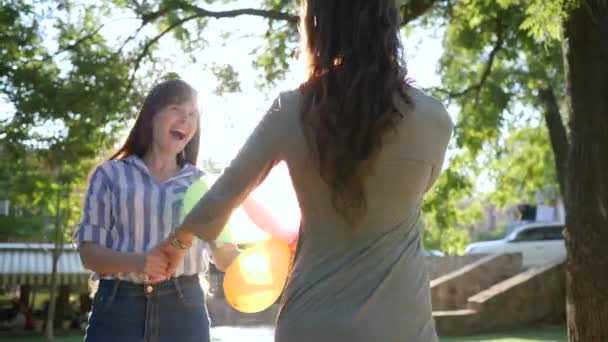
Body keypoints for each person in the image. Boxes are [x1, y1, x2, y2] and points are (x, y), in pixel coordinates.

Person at [159, 1, 453, 341]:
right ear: (388, 24)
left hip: (311, 324)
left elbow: (222, 199)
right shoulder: (434, 119)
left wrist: (176, 243)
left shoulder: (291, 110)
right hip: (402, 326)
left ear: (317, 27)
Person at [76, 79, 238, 342]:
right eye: (176, 109)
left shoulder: (203, 185)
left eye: (193, 115)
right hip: (117, 307)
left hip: (184, 309)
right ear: (151, 116)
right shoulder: (109, 175)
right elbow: (89, 254)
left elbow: (223, 254)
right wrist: (139, 261)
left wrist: (253, 259)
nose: (185, 119)